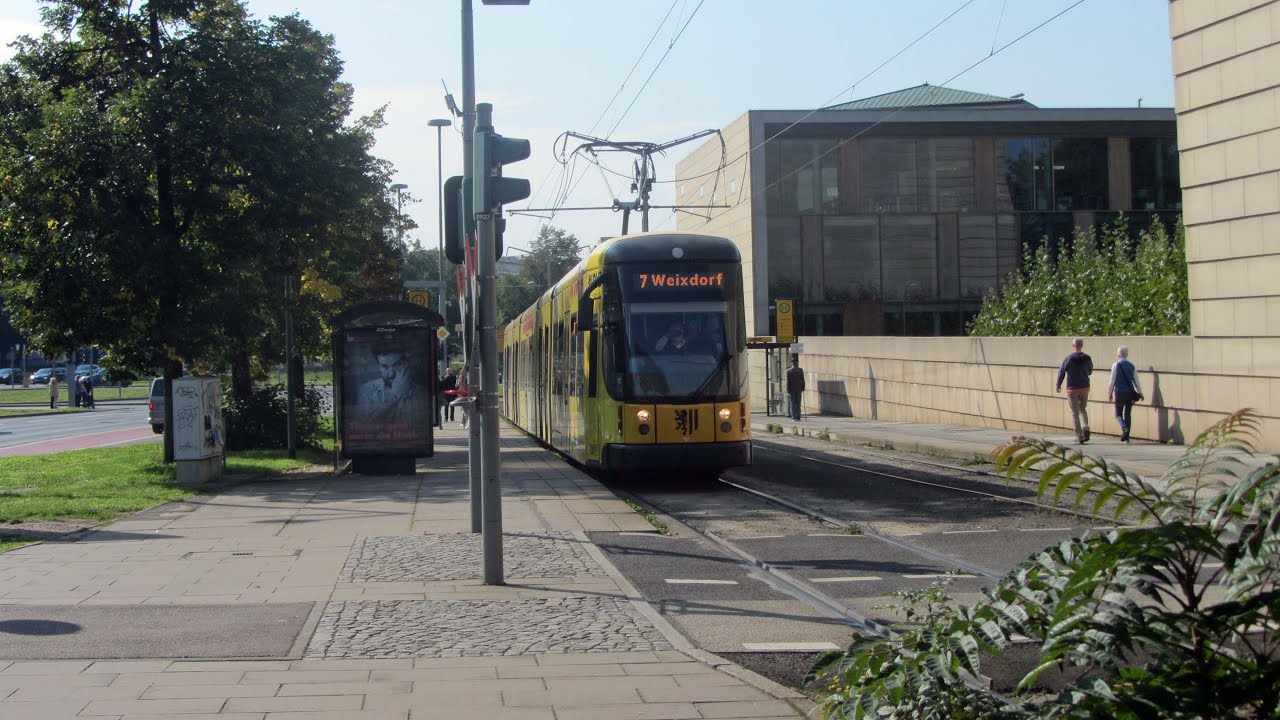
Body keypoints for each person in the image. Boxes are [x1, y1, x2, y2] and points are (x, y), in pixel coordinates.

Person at [356, 338, 425, 425]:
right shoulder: (366, 390)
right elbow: (365, 423)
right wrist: (395, 394)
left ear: (405, 364)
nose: (391, 373)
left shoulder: (421, 392)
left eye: (397, 365)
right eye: (384, 366)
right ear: (378, 366)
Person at [1056, 337, 1094, 444]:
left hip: (1072, 388)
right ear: (1082, 345)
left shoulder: (1068, 359)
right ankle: (1085, 427)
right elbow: (1090, 371)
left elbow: (1061, 372)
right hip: (1085, 387)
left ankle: (1079, 436)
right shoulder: (1087, 358)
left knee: (1075, 412)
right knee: (1083, 409)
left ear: (1073, 346)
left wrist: (1058, 384)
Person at [1108, 345, 1143, 443]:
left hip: (1119, 392)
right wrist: (1140, 393)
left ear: (1118, 354)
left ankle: (1124, 427)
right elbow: (1136, 381)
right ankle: (1127, 437)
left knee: (1118, 414)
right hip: (1129, 392)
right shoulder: (1131, 366)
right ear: (1127, 354)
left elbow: (1112, 380)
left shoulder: (1115, 365)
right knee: (1128, 414)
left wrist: (1110, 393)